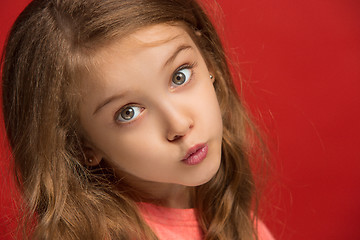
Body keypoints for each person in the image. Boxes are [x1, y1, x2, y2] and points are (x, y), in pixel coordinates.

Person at [1, 0, 274, 239]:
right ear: (82, 146)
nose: (179, 125)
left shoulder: (237, 223)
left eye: (180, 76)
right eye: (128, 112)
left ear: (209, 60)